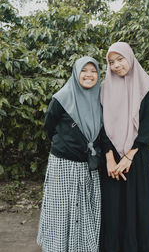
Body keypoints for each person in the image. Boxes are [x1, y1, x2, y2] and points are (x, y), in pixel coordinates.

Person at [37, 56, 103, 252]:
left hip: (88, 166)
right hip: (64, 165)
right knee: (62, 210)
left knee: (84, 209)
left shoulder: (100, 99)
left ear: (98, 75)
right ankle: (58, 246)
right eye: (84, 70)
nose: (89, 75)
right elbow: (49, 126)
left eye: (93, 71)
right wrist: (67, 145)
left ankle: (82, 247)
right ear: (76, 73)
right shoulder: (62, 97)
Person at [100, 42, 149, 252]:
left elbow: (147, 127)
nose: (116, 65)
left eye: (120, 59)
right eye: (111, 62)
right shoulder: (104, 89)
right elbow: (101, 126)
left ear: (130, 58)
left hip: (136, 156)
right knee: (113, 209)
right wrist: (109, 159)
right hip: (111, 161)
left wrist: (129, 156)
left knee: (137, 207)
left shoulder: (147, 87)